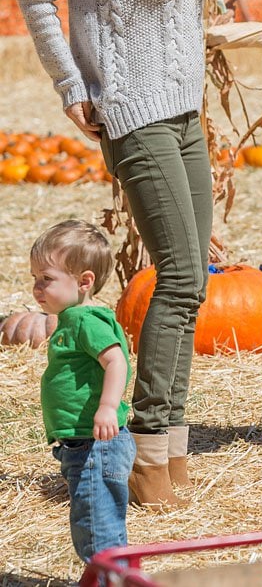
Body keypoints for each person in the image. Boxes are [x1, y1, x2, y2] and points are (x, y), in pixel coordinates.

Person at [16, 0, 241, 506]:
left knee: (192, 280)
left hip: (183, 117)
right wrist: (72, 83)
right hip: (134, 117)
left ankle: (169, 450)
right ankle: (146, 454)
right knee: (178, 275)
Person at [30, 220, 134, 562]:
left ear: (84, 281)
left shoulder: (86, 321)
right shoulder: (71, 319)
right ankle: (107, 577)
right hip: (83, 445)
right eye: (35, 279)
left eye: (46, 279)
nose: (37, 288)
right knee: (91, 523)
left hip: (96, 446)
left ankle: (109, 578)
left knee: (97, 527)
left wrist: (107, 406)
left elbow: (117, 362)